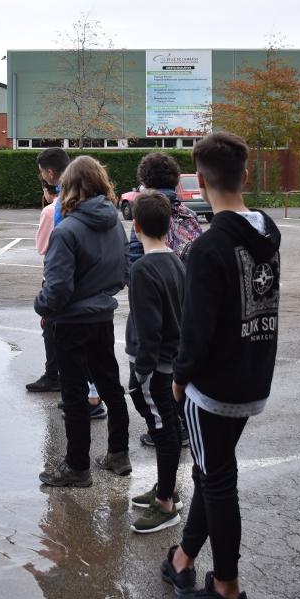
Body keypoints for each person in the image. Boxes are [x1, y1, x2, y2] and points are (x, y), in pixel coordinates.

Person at [165, 132, 280, 599]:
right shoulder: (268, 231)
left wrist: (179, 377)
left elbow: (197, 329)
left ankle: (228, 588)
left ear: (201, 181)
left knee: (217, 479)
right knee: (213, 470)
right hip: (254, 375)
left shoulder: (209, 248)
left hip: (212, 388)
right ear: (245, 176)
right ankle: (183, 558)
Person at [35, 155, 130, 487]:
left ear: (70, 186)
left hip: (72, 322)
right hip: (103, 316)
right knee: (110, 387)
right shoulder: (116, 224)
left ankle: (77, 467)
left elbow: (57, 288)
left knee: (74, 395)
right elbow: (123, 272)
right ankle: (119, 453)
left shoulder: (67, 230)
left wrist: (41, 305)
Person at [126, 151, 201, 449]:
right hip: (185, 304)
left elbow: (134, 266)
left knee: (151, 384)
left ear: (145, 181)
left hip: (152, 313)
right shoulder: (190, 216)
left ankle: (164, 430)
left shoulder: (143, 214)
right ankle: (182, 425)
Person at [124, 190, 187, 535]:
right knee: (163, 423)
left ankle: (166, 501)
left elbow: (150, 326)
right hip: (166, 361)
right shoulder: (174, 259)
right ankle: (166, 488)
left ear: (135, 226)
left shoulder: (144, 269)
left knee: (163, 427)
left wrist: (141, 373)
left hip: (155, 365)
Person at [26, 148, 70, 393]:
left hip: (57, 276)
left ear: (50, 173)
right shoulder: (90, 199)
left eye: (43, 172)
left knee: (51, 326)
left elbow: (43, 246)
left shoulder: (53, 211)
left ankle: (53, 374)